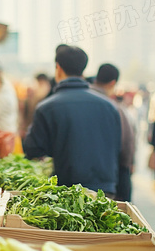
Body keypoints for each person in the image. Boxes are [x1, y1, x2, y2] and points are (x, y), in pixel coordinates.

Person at [23, 45, 122, 196]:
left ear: (58, 68)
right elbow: (117, 147)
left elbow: (32, 149)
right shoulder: (110, 106)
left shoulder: (47, 107)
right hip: (105, 191)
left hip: (69, 193)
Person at [92, 63, 136, 201]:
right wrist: (128, 164)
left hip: (76, 177)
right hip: (106, 178)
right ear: (113, 82)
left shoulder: (76, 101)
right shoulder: (115, 108)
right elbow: (127, 144)